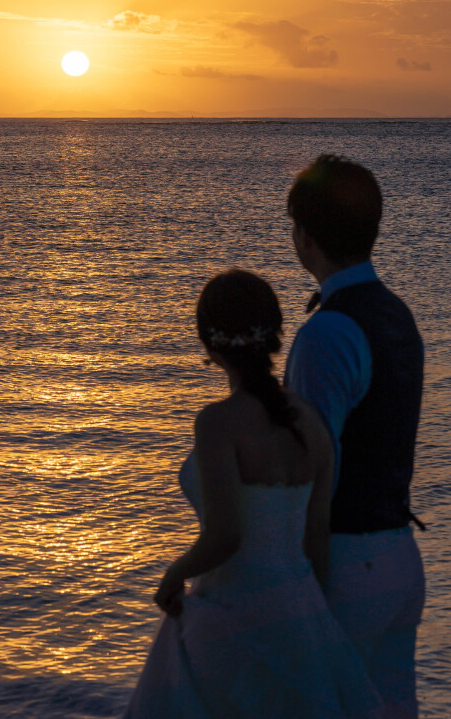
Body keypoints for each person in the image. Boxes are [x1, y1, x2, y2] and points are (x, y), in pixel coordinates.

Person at [125, 268, 384, 719]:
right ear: (276, 335)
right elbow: (316, 535)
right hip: (300, 612)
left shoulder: (217, 423)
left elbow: (226, 536)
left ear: (208, 342)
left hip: (230, 614)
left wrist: (173, 575)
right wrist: (311, 619)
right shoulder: (311, 421)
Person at [284, 155, 425, 719]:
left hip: (347, 562)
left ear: (305, 236)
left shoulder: (328, 331)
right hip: (398, 557)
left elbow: (313, 473)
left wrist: (302, 587)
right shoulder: (397, 314)